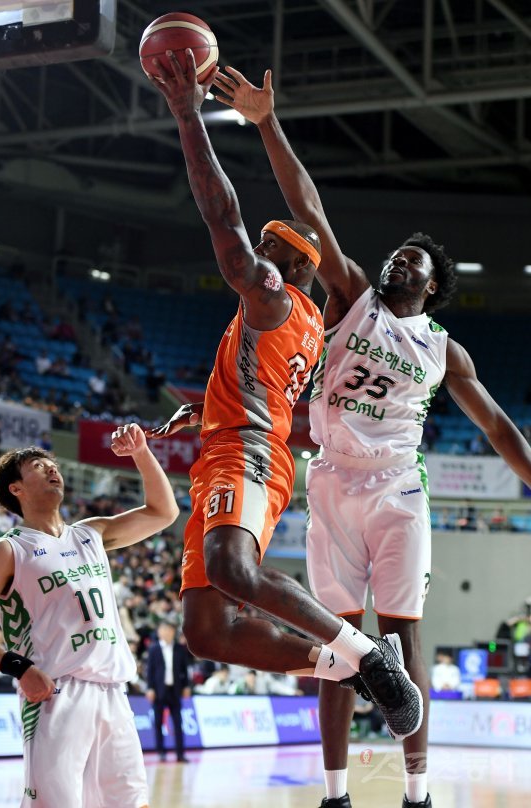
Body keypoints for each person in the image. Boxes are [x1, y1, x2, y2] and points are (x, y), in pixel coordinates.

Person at [212, 65, 531, 808]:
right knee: (336, 643)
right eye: (394, 256)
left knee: (403, 636)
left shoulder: (445, 350)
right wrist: (265, 121)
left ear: (431, 284)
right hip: (331, 481)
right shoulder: (353, 295)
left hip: (396, 490)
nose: (396, 262)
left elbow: (497, 426)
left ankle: (417, 793)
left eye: (410, 262)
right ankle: (335, 794)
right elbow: (310, 208)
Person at [143, 50, 423, 744]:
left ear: (295, 265)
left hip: (248, 453)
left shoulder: (271, 295)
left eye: (271, 244)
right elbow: (264, 384)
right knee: (207, 632)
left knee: (234, 569)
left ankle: (367, 655)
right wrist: (207, 408)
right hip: (231, 444)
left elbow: (222, 215)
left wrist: (188, 115)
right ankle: (343, 665)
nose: (258, 247)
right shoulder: (297, 322)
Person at [0, 423, 179, 808]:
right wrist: (20, 668)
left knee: (132, 803)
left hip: (112, 690)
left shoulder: (90, 533)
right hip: (55, 693)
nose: (52, 469)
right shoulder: (8, 551)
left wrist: (141, 453)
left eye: (52, 464)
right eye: (38, 467)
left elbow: (163, 512)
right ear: (16, 489)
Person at [146, 620, 190, 762]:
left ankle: (180, 754)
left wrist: (186, 686)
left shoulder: (180, 649)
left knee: (178, 723)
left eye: (169, 630)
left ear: (173, 632)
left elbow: (184, 670)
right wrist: (150, 688)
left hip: (175, 690)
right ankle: (161, 752)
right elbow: (150, 671)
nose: (166, 632)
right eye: (164, 629)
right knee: (158, 723)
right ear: (159, 632)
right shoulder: (153, 649)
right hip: (159, 691)